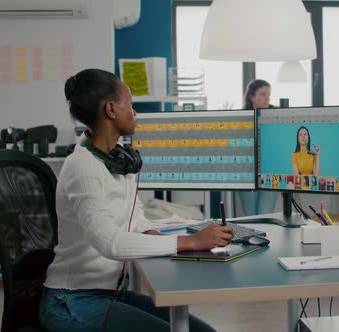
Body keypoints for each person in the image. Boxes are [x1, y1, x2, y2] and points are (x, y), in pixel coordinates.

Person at [39, 69, 232, 332]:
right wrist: (190, 241)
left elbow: (136, 218)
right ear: (110, 109)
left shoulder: (119, 161)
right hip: (71, 298)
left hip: (111, 294)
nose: (135, 112)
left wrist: (167, 241)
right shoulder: (82, 165)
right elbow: (110, 242)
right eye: (129, 104)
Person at [238, 79, 279, 216]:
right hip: (246, 173)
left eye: (269, 94)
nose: (267, 98)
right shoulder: (241, 118)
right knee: (250, 214)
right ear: (251, 97)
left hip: (270, 172)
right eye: (263, 94)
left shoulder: (277, 115)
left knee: (265, 214)